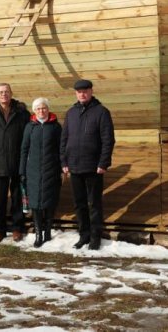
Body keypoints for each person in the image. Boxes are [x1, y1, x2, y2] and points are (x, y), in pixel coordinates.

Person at [60, 79, 115, 250]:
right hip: (74, 166)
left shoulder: (101, 112)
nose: (82, 94)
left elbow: (108, 140)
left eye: (85, 91)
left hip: (93, 167)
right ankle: (83, 234)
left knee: (94, 203)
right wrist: (64, 161)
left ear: (91, 91)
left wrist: (103, 162)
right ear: (76, 93)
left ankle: (95, 236)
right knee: (79, 203)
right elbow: (64, 139)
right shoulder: (71, 113)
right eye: (79, 91)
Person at [0, 83, 31, 244]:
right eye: (0, 92)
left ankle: (17, 228)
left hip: (18, 162)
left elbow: (28, 138)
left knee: (17, 197)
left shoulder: (22, 114)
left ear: (11, 93)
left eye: (6, 92)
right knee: (0, 198)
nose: (4, 95)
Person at [20, 97, 62, 247]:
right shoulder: (30, 127)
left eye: (44, 108)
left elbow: (61, 149)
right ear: (34, 111)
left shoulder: (56, 127)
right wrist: (22, 171)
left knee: (50, 201)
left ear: (48, 109)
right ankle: (38, 234)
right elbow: (24, 150)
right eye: (38, 108)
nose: (41, 111)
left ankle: (48, 231)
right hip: (33, 170)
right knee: (36, 203)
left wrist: (62, 166)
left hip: (51, 169)